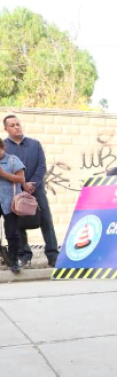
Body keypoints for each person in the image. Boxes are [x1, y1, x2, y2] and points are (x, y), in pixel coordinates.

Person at [3, 115, 59, 268]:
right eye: (12, 125)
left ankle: (53, 255)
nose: (16, 127)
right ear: (6, 128)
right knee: (17, 224)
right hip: (14, 191)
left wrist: (31, 183)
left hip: (37, 189)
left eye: (18, 124)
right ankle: (24, 255)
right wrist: (22, 184)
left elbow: (42, 166)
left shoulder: (35, 144)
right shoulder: (4, 147)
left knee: (46, 221)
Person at [0, 139, 25, 274]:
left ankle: (14, 261)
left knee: (12, 233)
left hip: (10, 202)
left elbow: (21, 179)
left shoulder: (12, 160)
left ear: (2, 147)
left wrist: (3, 174)